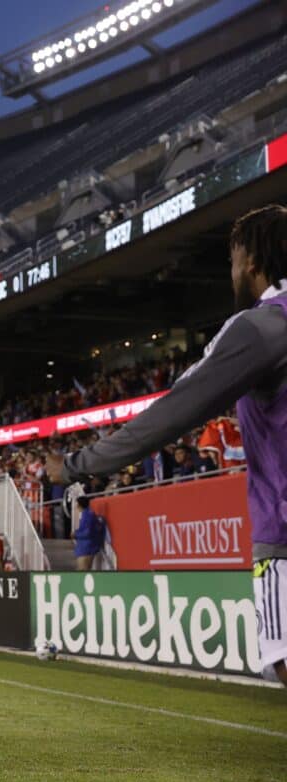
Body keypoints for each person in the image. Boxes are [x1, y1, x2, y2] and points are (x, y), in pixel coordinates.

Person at [48, 205, 287, 686]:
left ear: (254, 264)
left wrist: (75, 465)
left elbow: (170, 415)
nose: (233, 274)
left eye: (234, 262)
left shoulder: (259, 327)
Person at [72, 497, 103, 571]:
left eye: (77, 504)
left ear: (79, 505)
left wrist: (75, 534)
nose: (76, 506)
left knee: (82, 572)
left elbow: (87, 532)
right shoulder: (88, 514)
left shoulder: (87, 515)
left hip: (86, 549)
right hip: (86, 548)